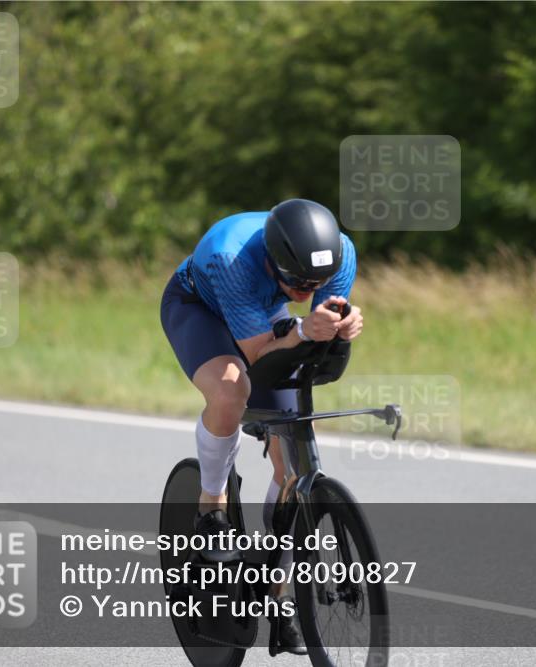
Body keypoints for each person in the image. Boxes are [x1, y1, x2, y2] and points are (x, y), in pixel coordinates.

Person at [160, 199, 362, 655]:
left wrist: (341, 327)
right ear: (274, 261)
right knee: (232, 391)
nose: (306, 289)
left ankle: (280, 595)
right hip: (202, 308)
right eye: (297, 282)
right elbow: (255, 357)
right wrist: (304, 332)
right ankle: (211, 503)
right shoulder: (230, 257)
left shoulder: (341, 253)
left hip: (261, 310)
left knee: (291, 464)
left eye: (315, 284)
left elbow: (317, 328)